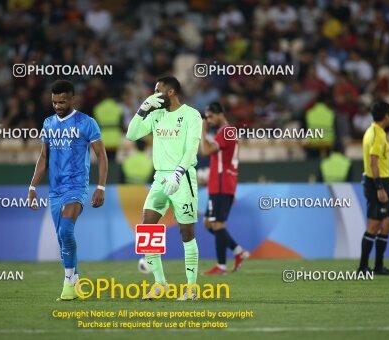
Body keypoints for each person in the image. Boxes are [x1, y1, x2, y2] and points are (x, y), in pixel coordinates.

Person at [28, 80, 108, 300]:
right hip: (55, 189)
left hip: (77, 186)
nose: (58, 106)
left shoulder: (87, 123)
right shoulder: (48, 123)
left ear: (73, 99)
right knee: (63, 239)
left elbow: (101, 155)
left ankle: (66, 284)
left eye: (62, 101)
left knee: (65, 231)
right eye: (54, 102)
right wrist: (32, 187)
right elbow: (44, 157)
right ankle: (75, 279)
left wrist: (100, 186)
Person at [126, 76, 202, 301]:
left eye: (158, 90)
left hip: (183, 177)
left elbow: (191, 149)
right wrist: (143, 109)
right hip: (160, 178)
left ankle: (191, 288)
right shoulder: (156, 115)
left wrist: (178, 174)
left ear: (170, 92)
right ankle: (161, 284)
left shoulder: (192, 115)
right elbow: (131, 135)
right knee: (147, 229)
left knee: (186, 233)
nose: (154, 94)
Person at [199, 102, 249, 275]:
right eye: (206, 118)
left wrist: (202, 131)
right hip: (218, 184)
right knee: (208, 223)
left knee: (218, 224)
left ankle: (221, 266)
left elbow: (205, 151)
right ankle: (237, 251)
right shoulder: (225, 133)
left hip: (222, 184)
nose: (209, 120)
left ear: (220, 114)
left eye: (211, 116)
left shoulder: (226, 131)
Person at [358, 101, 389, 275]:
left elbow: (377, 164)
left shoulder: (373, 132)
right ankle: (363, 267)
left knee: (386, 224)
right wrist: (379, 187)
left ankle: (377, 267)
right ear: (386, 116)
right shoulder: (377, 135)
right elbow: (373, 162)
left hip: (380, 180)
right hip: (375, 183)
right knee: (375, 224)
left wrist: (388, 179)